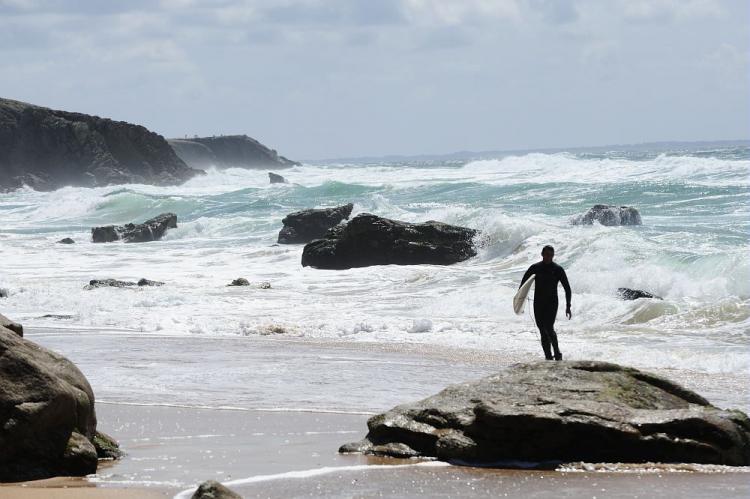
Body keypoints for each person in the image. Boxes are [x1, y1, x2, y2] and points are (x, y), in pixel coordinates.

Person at [520, 245, 571, 360]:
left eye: (551, 255)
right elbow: (523, 284)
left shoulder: (558, 269)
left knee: (549, 327)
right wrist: (520, 301)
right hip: (538, 302)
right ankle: (548, 356)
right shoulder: (535, 268)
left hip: (552, 302)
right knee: (542, 330)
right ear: (542, 254)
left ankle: (557, 353)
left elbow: (567, 288)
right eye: (547, 255)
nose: (549, 257)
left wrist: (568, 306)